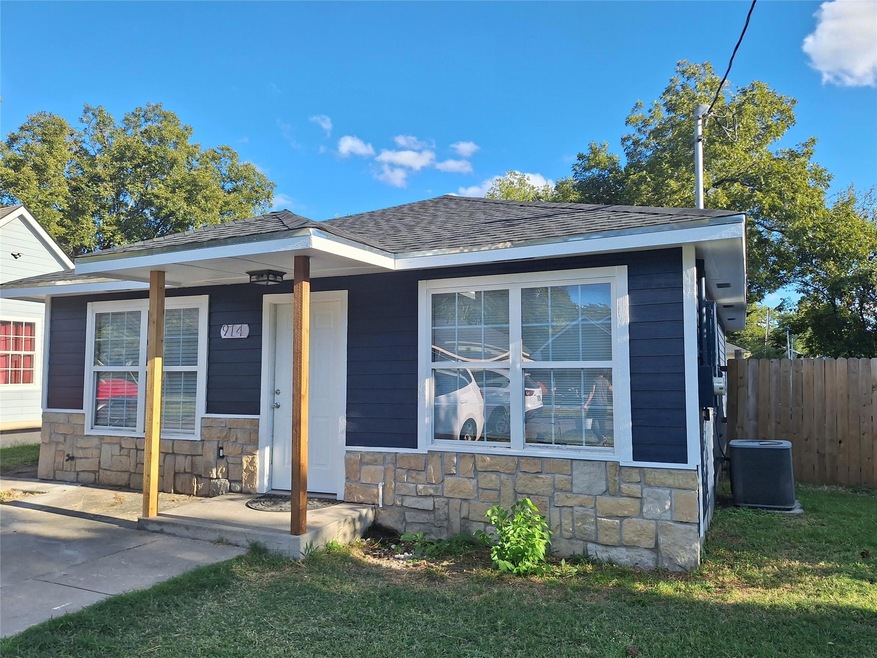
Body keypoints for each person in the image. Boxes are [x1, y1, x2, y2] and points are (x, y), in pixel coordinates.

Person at [583, 370, 613, 445]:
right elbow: (612, 390)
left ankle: (601, 438)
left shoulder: (595, 380)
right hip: (604, 405)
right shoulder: (606, 381)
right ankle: (604, 441)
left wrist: (586, 404)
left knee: (590, 423)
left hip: (596, 405)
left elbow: (592, 392)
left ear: (596, 373)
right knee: (602, 423)